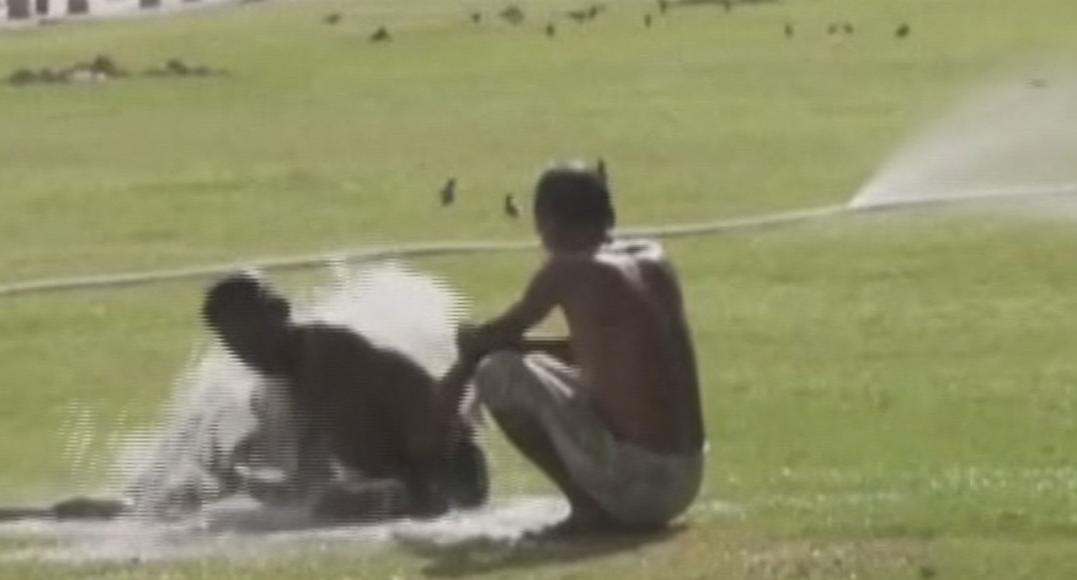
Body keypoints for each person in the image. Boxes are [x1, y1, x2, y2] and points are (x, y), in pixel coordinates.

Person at [445, 163, 706, 534]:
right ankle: (600, 502)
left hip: (639, 488)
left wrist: (462, 360)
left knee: (496, 372)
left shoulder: (567, 269)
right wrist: (520, 347)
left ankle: (588, 510)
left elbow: (491, 341)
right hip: (687, 479)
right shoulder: (655, 259)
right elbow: (600, 350)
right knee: (523, 361)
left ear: (547, 221)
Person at [200, 272, 491, 521]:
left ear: (281, 311)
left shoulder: (327, 357)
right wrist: (233, 478)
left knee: (326, 505)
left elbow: (312, 481)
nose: (251, 354)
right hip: (418, 476)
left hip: (450, 478)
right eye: (237, 346)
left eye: (254, 337)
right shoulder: (283, 379)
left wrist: (239, 484)